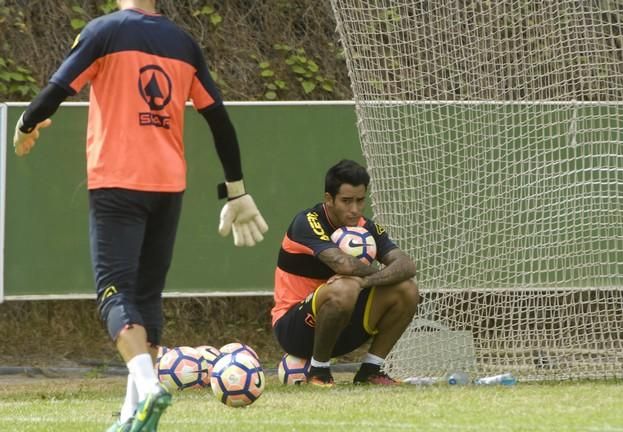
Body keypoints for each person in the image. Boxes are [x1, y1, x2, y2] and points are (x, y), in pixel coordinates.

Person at [13, 1, 267, 431]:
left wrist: (26, 123)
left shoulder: (104, 32)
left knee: (113, 292)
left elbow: (56, 89)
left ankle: (149, 389)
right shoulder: (183, 43)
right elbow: (218, 118)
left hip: (117, 182)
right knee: (146, 299)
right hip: (168, 187)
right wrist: (237, 189)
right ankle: (133, 418)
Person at [272, 159, 419, 386]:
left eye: (360, 201)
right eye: (346, 201)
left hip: (340, 328)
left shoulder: (366, 227)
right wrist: (372, 278)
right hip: (294, 329)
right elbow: (344, 266)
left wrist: (366, 282)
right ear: (329, 199)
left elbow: (406, 265)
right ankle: (318, 371)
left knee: (406, 289)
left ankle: (370, 370)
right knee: (347, 285)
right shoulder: (307, 222)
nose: (354, 210)